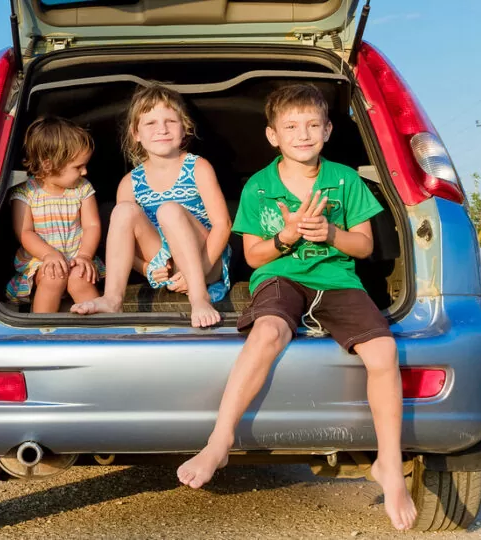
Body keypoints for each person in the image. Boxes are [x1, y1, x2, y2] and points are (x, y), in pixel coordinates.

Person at [175, 83, 417, 531]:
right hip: (281, 278)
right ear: (273, 136)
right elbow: (252, 258)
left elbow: (364, 246)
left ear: (327, 130)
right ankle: (219, 440)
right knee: (268, 332)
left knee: (383, 353)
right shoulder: (259, 187)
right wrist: (287, 236)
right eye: (290, 126)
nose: (302, 134)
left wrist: (329, 234)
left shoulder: (345, 180)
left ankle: (388, 463)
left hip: (338, 279)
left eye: (311, 125)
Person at [71, 83, 231, 327]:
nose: (162, 129)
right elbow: (125, 243)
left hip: (206, 260)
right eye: (150, 123)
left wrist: (199, 270)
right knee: (123, 211)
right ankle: (113, 299)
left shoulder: (198, 167)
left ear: (185, 128)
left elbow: (223, 224)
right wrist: (146, 268)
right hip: (164, 263)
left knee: (168, 210)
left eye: (170, 121)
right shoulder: (130, 182)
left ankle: (199, 297)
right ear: (136, 133)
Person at [4, 116, 104, 313]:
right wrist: (49, 254)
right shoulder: (25, 193)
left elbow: (92, 226)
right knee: (53, 277)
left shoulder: (82, 189)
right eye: (78, 167)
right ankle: (41, 330)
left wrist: (84, 255)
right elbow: (25, 233)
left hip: (77, 257)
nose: (84, 171)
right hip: (43, 262)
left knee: (79, 278)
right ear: (49, 165)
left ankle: (105, 328)